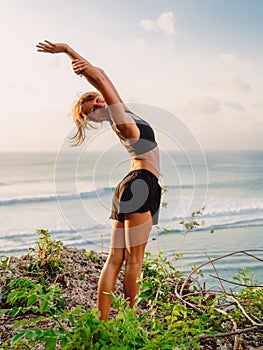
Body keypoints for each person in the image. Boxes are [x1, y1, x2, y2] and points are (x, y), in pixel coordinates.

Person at [36, 40, 161, 321]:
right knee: (134, 261)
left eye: (95, 96)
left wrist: (75, 57)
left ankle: (102, 322)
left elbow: (100, 73)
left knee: (115, 258)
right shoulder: (119, 119)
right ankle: (130, 322)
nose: (98, 100)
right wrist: (67, 50)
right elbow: (101, 77)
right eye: (91, 104)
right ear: (93, 116)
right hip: (142, 182)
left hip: (128, 185)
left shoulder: (124, 112)